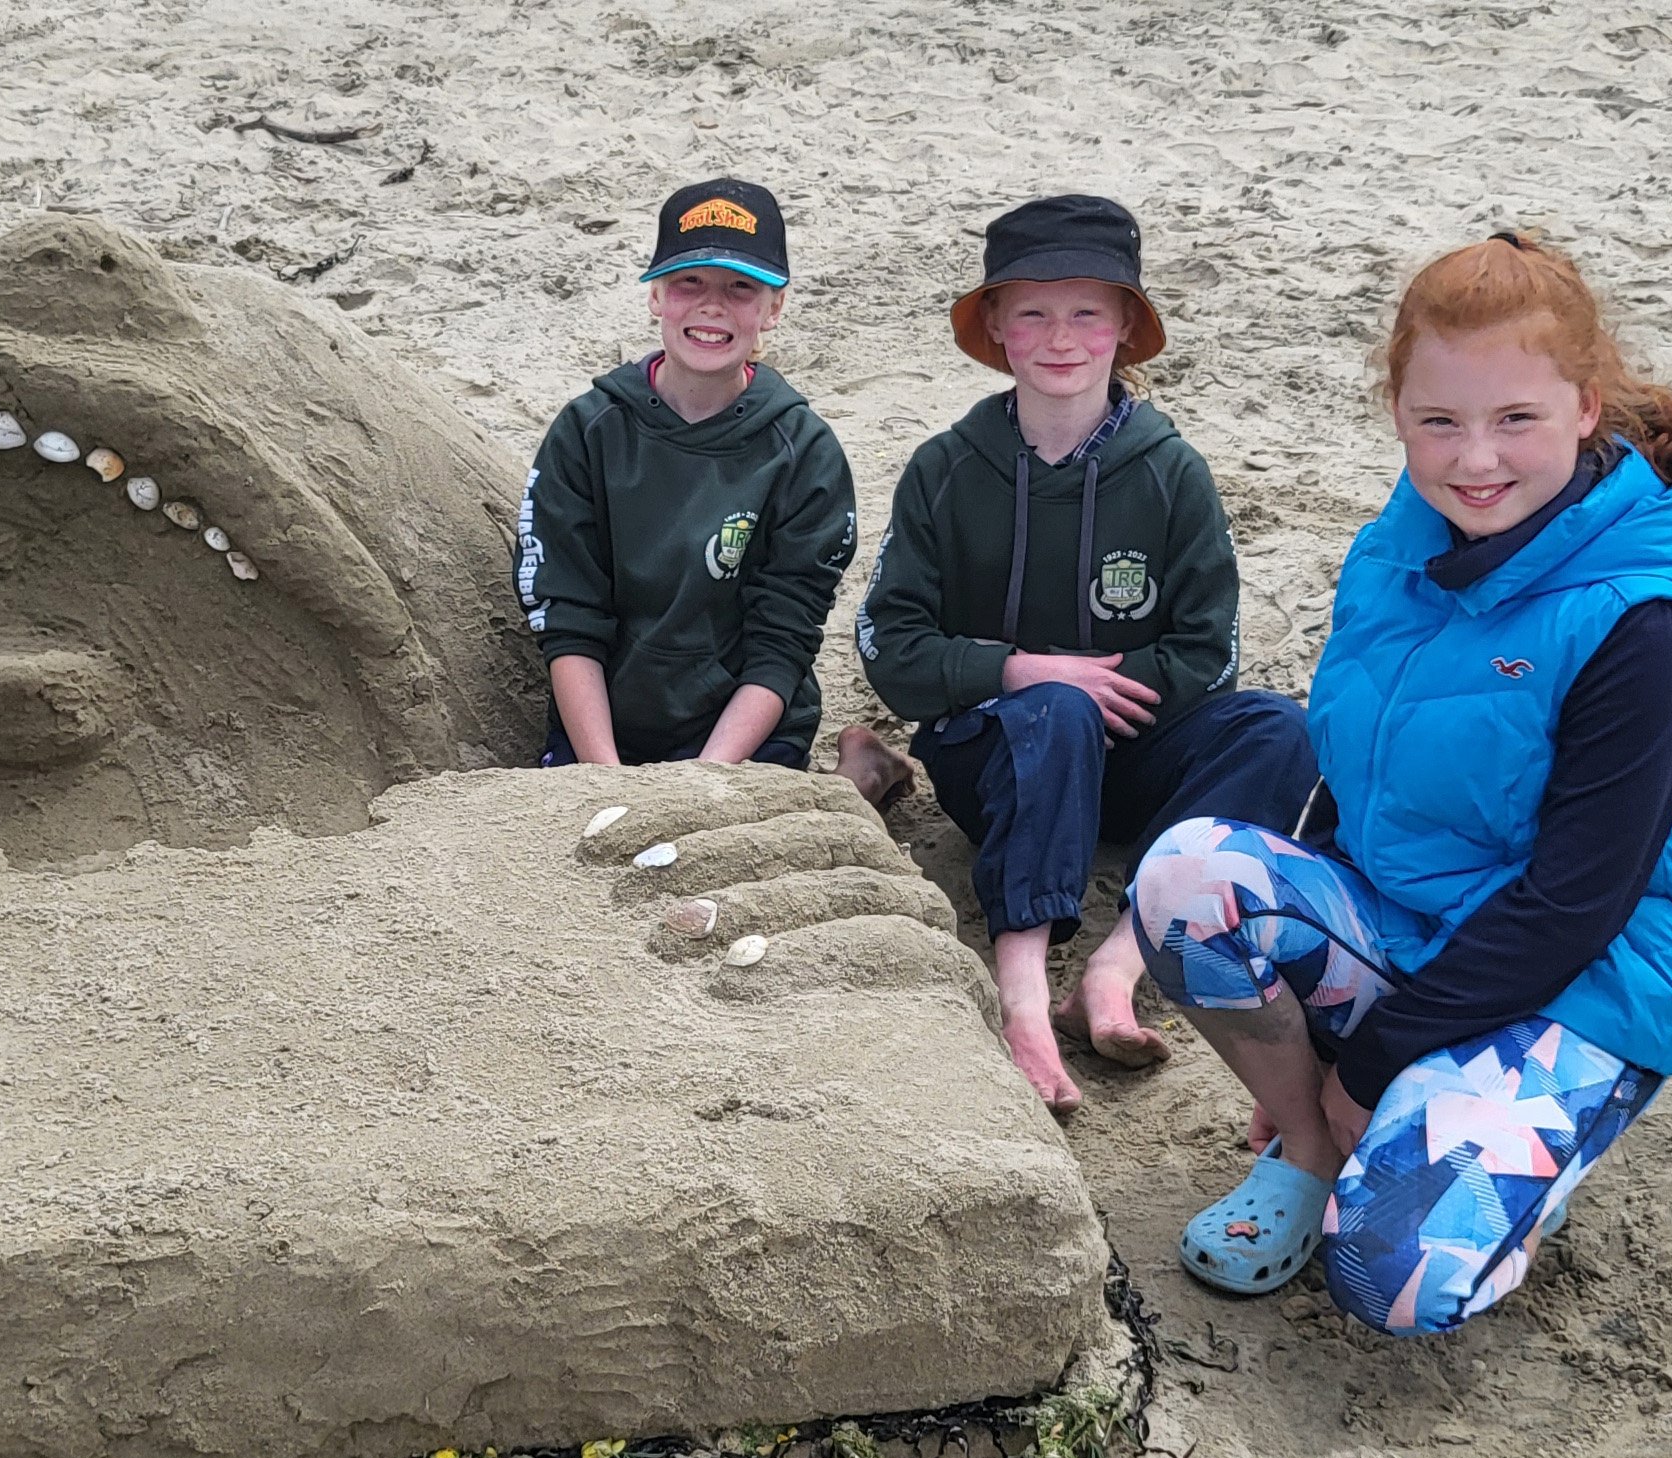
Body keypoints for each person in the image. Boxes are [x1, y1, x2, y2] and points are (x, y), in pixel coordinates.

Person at [1125, 231, 1672, 1333]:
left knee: (1391, 1278)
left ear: (1584, 406)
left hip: (1580, 973)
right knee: (1185, 879)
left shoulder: (1644, 622)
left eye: (1514, 419)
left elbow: (1576, 901)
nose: (1474, 460)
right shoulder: (1402, 538)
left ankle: (1498, 1146)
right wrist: (1330, 1086)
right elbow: (1351, 762)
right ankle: (1313, 1150)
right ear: (1397, 413)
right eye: (1439, 422)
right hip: (1410, 916)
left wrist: (1368, 1061)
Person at [855, 194, 1314, 1116]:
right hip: (996, 757)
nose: (1059, 336)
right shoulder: (945, 468)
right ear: (995, 326)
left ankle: (1113, 969)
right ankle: (1022, 990)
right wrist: (1023, 673)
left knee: (1282, 729)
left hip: (1131, 749)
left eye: (1086, 312)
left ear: (1125, 330)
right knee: (1052, 709)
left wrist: (1101, 687)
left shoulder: (1170, 470)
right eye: (1031, 311)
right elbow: (890, 646)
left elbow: (1207, 648)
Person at [516, 176, 917, 810]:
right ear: (656, 296)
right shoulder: (588, 431)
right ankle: (852, 778)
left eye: (740, 289)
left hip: (738, 730)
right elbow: (567, 622)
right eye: (689, 283)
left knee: (740, 863)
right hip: (607, 727)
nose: (712, 306)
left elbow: (782, 641)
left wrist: (702, 783)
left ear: (774, 308)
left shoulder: (804, 452)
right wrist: (606, 778)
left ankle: (855, 781)